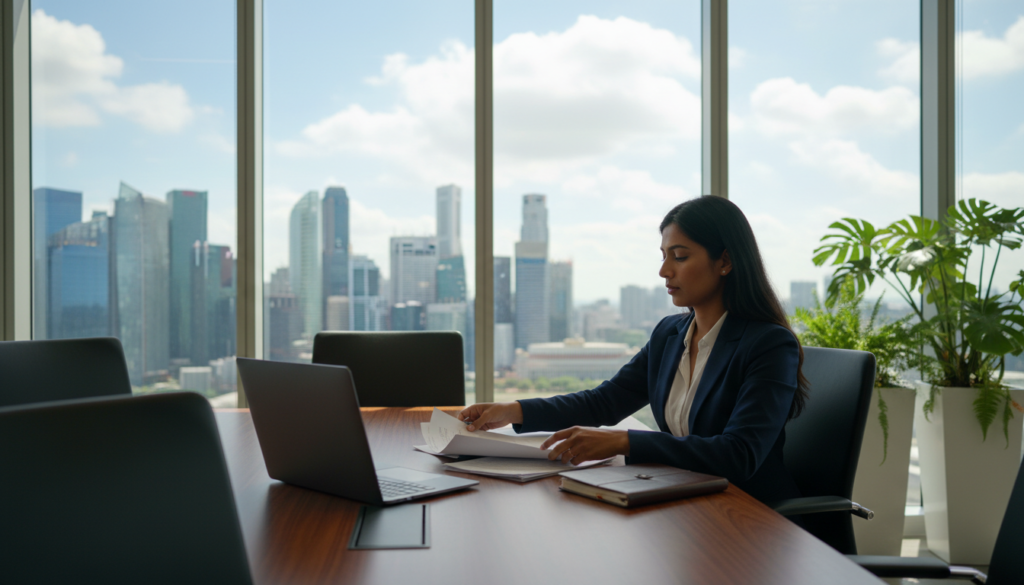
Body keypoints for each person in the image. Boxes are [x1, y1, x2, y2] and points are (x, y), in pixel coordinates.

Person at [459, 195, 810, 505]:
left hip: (750, 515)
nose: (664, 270)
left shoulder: (768, 345)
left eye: (680, 256)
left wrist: (624, 442)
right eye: (664, 256)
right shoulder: (669, 335)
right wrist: (514, 410)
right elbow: (603, 402)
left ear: (725, 262)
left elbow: (740, 454)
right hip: (687, 500)